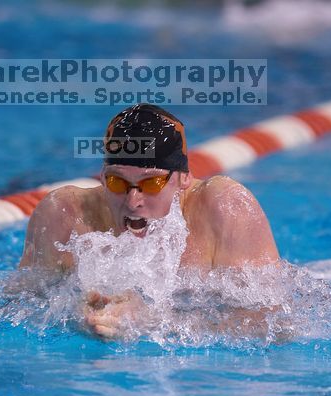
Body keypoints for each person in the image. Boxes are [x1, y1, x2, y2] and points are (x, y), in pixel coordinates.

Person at [19, 104, 280, 339]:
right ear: (102, 176)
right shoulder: (64, 216)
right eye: (117, 181)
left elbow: (278, 324)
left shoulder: (223, 208)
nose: (133, 201)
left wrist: (154, 322)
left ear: (183, 178)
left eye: (151, 183)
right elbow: (15, 305)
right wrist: (69, 311)